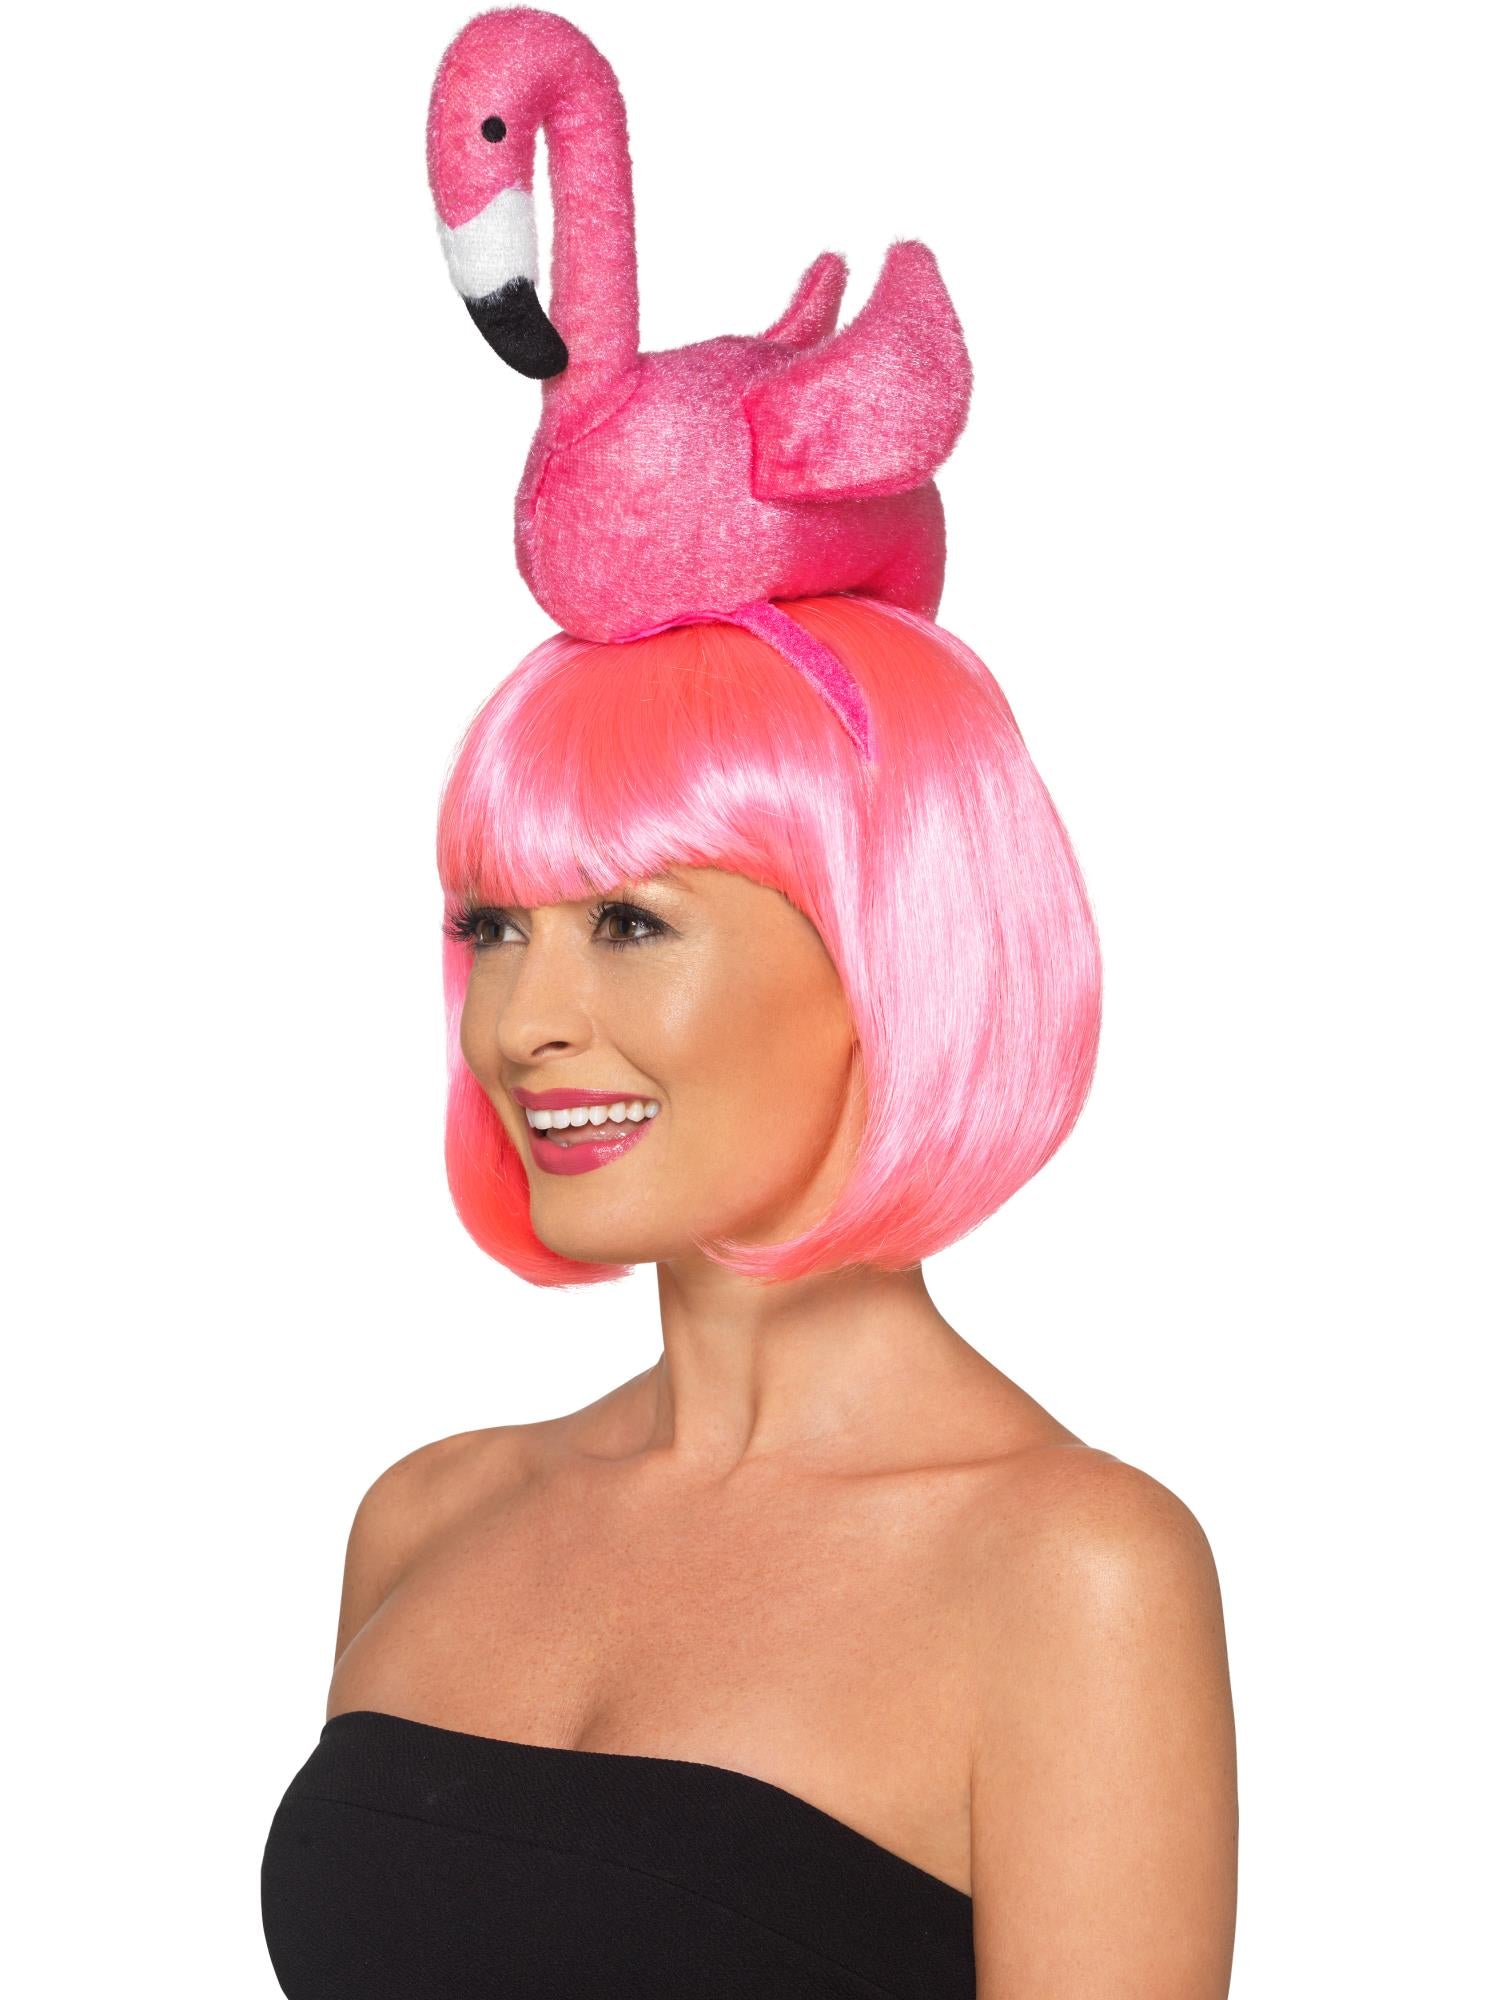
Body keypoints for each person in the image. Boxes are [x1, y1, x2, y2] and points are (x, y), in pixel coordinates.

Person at [262, 11, 1236, 1996]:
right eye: (493, 926)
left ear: (887, 943)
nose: (523, 1020)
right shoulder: (425, 1517)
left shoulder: (1072, 1574)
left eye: (629, 924)